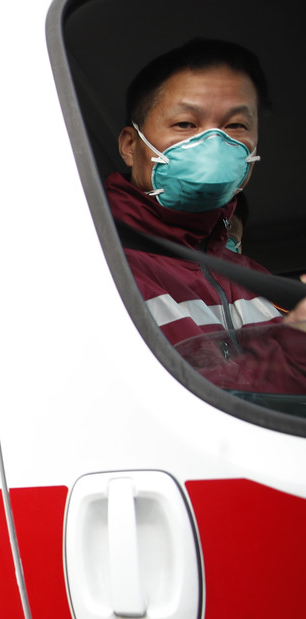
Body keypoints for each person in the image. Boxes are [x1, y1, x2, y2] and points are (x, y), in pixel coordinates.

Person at [105, 37, 306, 393]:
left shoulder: (256, 281)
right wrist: (297, 342)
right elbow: (180, 400)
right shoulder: (102, 265)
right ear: (130, 146)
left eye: (236, 126)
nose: (214, 144)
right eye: (186, 124)